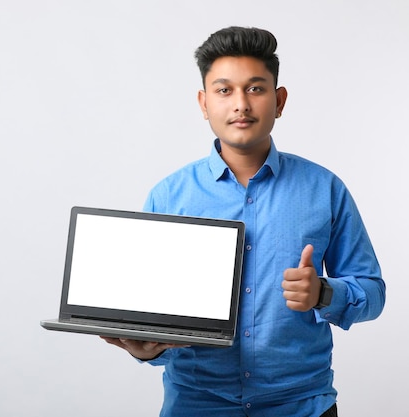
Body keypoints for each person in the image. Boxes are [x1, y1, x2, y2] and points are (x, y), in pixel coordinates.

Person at [101, 26, 386, 417]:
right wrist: (146, 347)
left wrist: (323, 292)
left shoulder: (326, 189)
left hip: (301, 406)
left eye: (255, 88)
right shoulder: (169, 197)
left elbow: (372, 292)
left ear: (279, 100)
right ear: (203, 103)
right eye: (224, 90)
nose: (241, 104)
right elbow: (151, 317)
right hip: (196, 406)